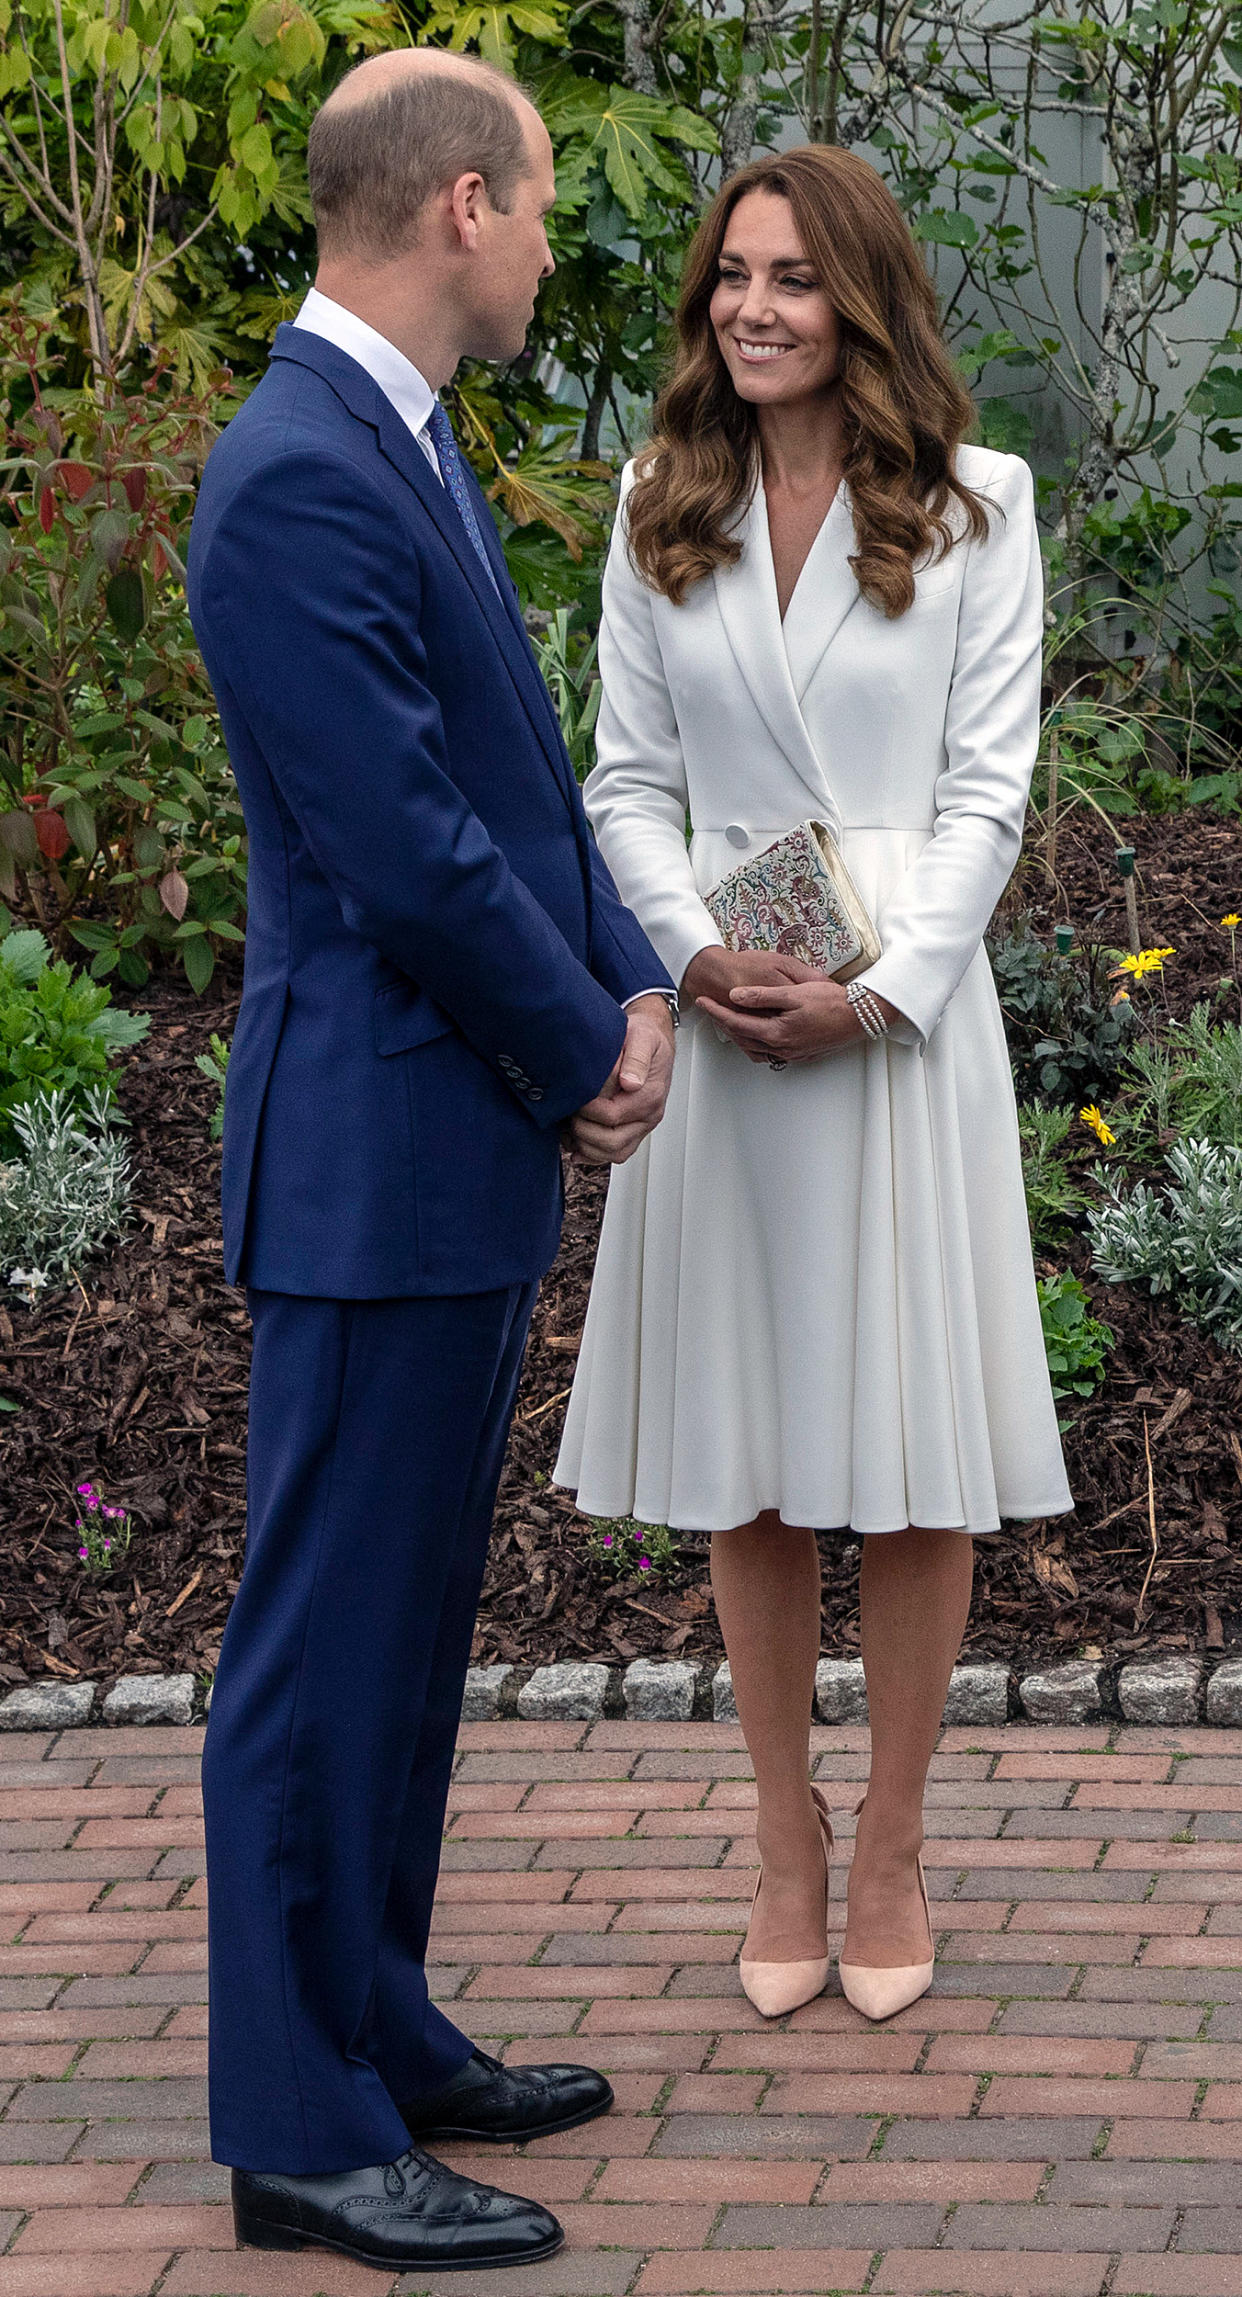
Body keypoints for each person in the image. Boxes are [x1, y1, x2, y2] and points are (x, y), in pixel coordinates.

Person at [186, 49, 676, 2276]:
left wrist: (628, 982)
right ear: (461, 205)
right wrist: (582, 1041)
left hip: (451, 1142)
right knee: (318, 1649)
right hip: (379, 1155)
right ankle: (298, 2132)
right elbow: (394, 847)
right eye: (550, 201)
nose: (560, 238)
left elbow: (516, 782)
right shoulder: (296, 475)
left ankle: (375, 2025)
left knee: (404, 1637)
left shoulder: (400, 444)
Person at [555, 145, 1073, 2025]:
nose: (751, 308)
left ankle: (893, 1845)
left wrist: (882, 993)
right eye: (730, 278)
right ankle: (780, 1840)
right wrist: (695, 954)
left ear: (860, 296)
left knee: (910, 1461)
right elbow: (622, 781)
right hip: (726, 1026)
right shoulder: (653, 503)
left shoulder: (978, 509)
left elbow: (985, 791)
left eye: (790, 278)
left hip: (895, 1040)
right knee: (754, 1458)